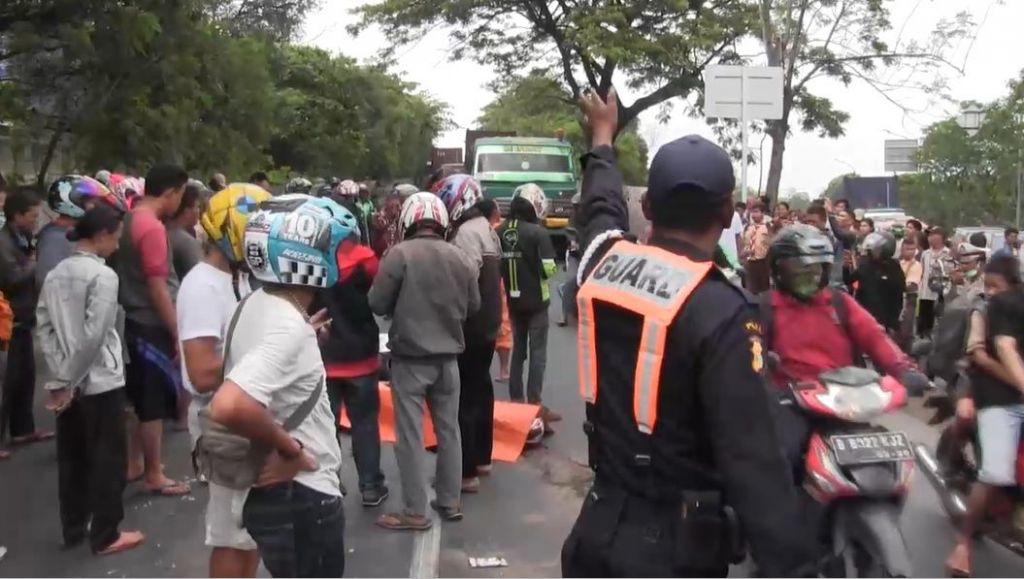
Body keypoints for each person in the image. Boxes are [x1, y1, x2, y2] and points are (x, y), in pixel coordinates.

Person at [562, 87, 816, 578]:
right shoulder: (724, 311)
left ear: (648, 206)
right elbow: (753, 465)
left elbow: (601, 208)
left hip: (595, 532)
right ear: (727, 213)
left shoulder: (603, 265)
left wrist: (603, 138)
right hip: (674, 554)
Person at [209, 195, 353, 578]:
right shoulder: (288, 326)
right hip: (302, 493)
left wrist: (303, 337)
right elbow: (229, 404)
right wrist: (292, 450)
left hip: (273, 493)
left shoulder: (253, 302)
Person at [762, 225, 927, 475]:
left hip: (842, 401)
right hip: (792, 406)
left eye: (816, 269)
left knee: (886, 465)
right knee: (783, 457)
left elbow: (875, 337)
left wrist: (904, 370)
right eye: (801, 269)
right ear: (779, 270)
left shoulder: (840, 302)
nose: (811, 276)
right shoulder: (762, 308)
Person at [36, 204, 145, 555]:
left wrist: (60, 375)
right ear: (101, 235)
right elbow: (95, 334)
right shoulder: (103, 276)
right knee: (108, 457)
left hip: (66, 381)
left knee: (72, 457)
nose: (117, 244)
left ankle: (74, 526)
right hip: (99, 380)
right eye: (116, 237)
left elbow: (45, 327)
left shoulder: (55, 274)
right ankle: (106, 533)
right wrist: (71, 378)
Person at [368, 192, 479, 529]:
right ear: (441, 222)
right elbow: (474, 306)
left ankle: (415, 511)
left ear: (408, 221)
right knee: (449, 431)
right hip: (449, 362)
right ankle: (450, 501)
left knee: (411, 436)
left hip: (411, 360)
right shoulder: (460, 257)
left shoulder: (399, 254)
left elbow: (377, 302)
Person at [179, 184, 270, 577]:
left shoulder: (237, 278)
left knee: (251, 530)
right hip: (223, 425)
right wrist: (268, 352)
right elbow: (201, 373)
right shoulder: (203, 286)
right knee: (231, 533)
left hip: (245, 417)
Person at [945, 254, 1024, 576]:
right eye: (988, 285)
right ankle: (963, 545)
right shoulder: (991, 307)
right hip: (993, 391)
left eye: (996, 285)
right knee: (995, 472)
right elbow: (993, 353)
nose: (990, 291)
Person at [115, 165, 190, 497]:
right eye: (181, 195)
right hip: (150, 322)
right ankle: (154, 473)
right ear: (171, 193)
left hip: (132, 318)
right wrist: (176, 332)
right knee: (153, 404)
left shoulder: (130, 218)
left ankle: (134, 463)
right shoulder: (153, 228)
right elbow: (158, 287)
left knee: (139, 399)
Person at [315, 207, 389, 508]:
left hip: (325, 356)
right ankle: (371, 486)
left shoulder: (312, 259)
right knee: (365, 424)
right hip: (361, 356)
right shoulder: (366, 260)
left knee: (325, 426)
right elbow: (379, 296)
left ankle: (328, 483)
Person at [434, 174, 503, 492]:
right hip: (488, 324)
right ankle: (483, 458)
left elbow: (464, 277)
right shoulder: (486, 229)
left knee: (462, 397)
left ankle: (465, 471)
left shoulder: (464, 234)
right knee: (481, 388)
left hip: (470, 326)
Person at [497, 184, 557, 415]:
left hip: (514, 302)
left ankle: (516, 400)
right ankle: (534, 404)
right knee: (537, 354)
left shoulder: (500, 230)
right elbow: (549, 269)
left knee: (518, 351)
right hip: (537, 302)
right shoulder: (537, 232)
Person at [0, 187, 52, 446]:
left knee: (25, 377)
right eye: (32, 216)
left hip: (23, 317)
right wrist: (34, 263)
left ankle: (23, 429)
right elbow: (11, 277)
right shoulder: (3, 242)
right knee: (8, 381)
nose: (35, 220)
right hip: (9, 319)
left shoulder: (23, 237)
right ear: (17, 215)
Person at [37, 176, 124, 288]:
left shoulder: (66, 233)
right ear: (72, 203)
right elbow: (46, 282)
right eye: (92, 203)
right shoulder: (55, 239)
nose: (95, 208)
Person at [479, 199, 513, 381]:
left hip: (479, 280)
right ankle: (504, 369)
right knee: (503, 325)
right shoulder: (501, 229)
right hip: (499, 280)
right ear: (494, 213)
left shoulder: (473, 231)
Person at [849, 231, 904, 334]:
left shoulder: (893, 268)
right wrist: (845, 268)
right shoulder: (865, 265)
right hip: (864, 315)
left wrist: (893, 322)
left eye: (875, 250)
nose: (871, 252)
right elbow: (849, 280)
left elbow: (897, 296)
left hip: (883, 319)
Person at [918, 227, 954, 338]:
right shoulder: (925, 254)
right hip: (925, 291)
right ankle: (923, 336)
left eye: (935, 237)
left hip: (941, 291)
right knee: (924, 318)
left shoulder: (948, 253)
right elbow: (922, 270)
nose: (932, 240)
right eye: (930, 237)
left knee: (938, 316)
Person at [169, 181, 204, 280]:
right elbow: (199, 278)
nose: (199, 211)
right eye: (197, 207)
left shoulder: (164, 231)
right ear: (187, 211)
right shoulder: (186, 242)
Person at [741, 201, 771, 293]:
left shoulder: (768, 227)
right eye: (752, 212)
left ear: (763, 213)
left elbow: (772, 243)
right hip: (749, 262)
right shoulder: (747, 227)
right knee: (750, 288)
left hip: (762, 262)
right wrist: (743, 253)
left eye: (757, 212)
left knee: (763, 289)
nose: (754, 215)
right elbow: (743, 242)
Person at [332, 179, 371, 246]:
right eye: (345, 197)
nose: (349, 200)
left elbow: (364, 233)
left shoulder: (358, 209)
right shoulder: (332, 209)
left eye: (351, 197)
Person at [371, 191, 403, 257]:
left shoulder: (399, 220)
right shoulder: (380, 220)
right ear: (390, 206)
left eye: (399, 206)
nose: (400, 208)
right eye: (397, 206)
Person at [718, 197, 744, 268]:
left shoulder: (735, 215)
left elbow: (738, 236)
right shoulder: (711, 215)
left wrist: (740, 254)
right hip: (716, 257)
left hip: (732, 258)